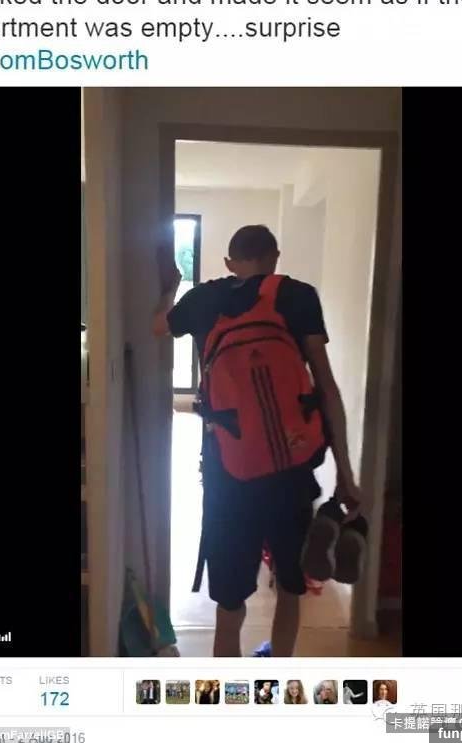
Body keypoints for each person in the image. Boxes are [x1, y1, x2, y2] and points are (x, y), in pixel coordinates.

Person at [153, 225, 361, 658]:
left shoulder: (202, 299)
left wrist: (171, 287)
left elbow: (158, 326)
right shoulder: (298, 295)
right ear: (275, 257)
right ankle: (277, 671)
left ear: (229, 262)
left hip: (228, 470)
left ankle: (229, 686)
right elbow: (326, 385)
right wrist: (345, 472)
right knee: (291, 584)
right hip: (291, 469)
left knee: (229, 601)